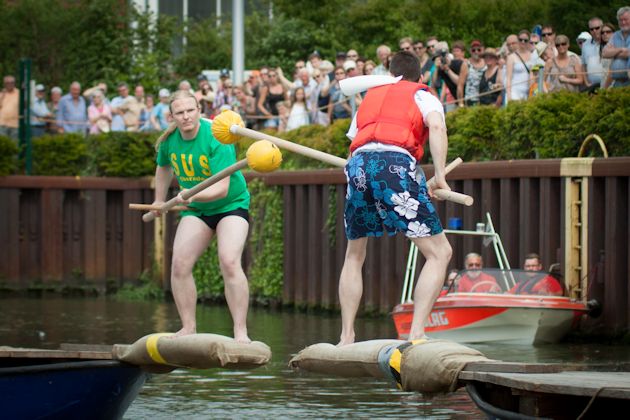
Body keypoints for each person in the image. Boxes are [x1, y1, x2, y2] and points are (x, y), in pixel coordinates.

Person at [338, 51, 452, 345]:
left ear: (390, 74)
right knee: (440, 253)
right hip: (394, 164)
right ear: (421, 76)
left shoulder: (371, 98)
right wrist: (439, 176)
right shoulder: (423, 94)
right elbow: (437, 126)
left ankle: (346, 336)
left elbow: (356, 143)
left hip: (358, 166)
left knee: (354, 253)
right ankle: (416, 333)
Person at [151, 90, 251, 342]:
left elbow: (222, 188)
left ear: (199, 110)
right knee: (180, 264)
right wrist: (159, 199)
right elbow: (163, 167)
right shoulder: (168, 140)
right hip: (197, 210)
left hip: (231, 205)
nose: (186, 117)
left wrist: (191, 195)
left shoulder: (216, 137)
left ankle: (240, 331)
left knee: (229, 261)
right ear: (171, 116)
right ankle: (188, 327)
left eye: (190, 111)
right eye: (180, 113)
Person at [602, 6, 630, 88]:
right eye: (621, 20)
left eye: (626, 19)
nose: (623, 22)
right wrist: (620, 49)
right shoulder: (615, 35)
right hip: (617, 83)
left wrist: (613, 52)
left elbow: (628, 53)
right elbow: (604, 53)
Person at [0, 75, 19, 140]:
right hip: (3, 124)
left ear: (14, 83)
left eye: (12, 82)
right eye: (7, 83)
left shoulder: (18, 93)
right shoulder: (2, 93)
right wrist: (2, 95)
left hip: (15, 124)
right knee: (3, 144)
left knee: (14, 145)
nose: (9, 84)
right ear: (4, 84)